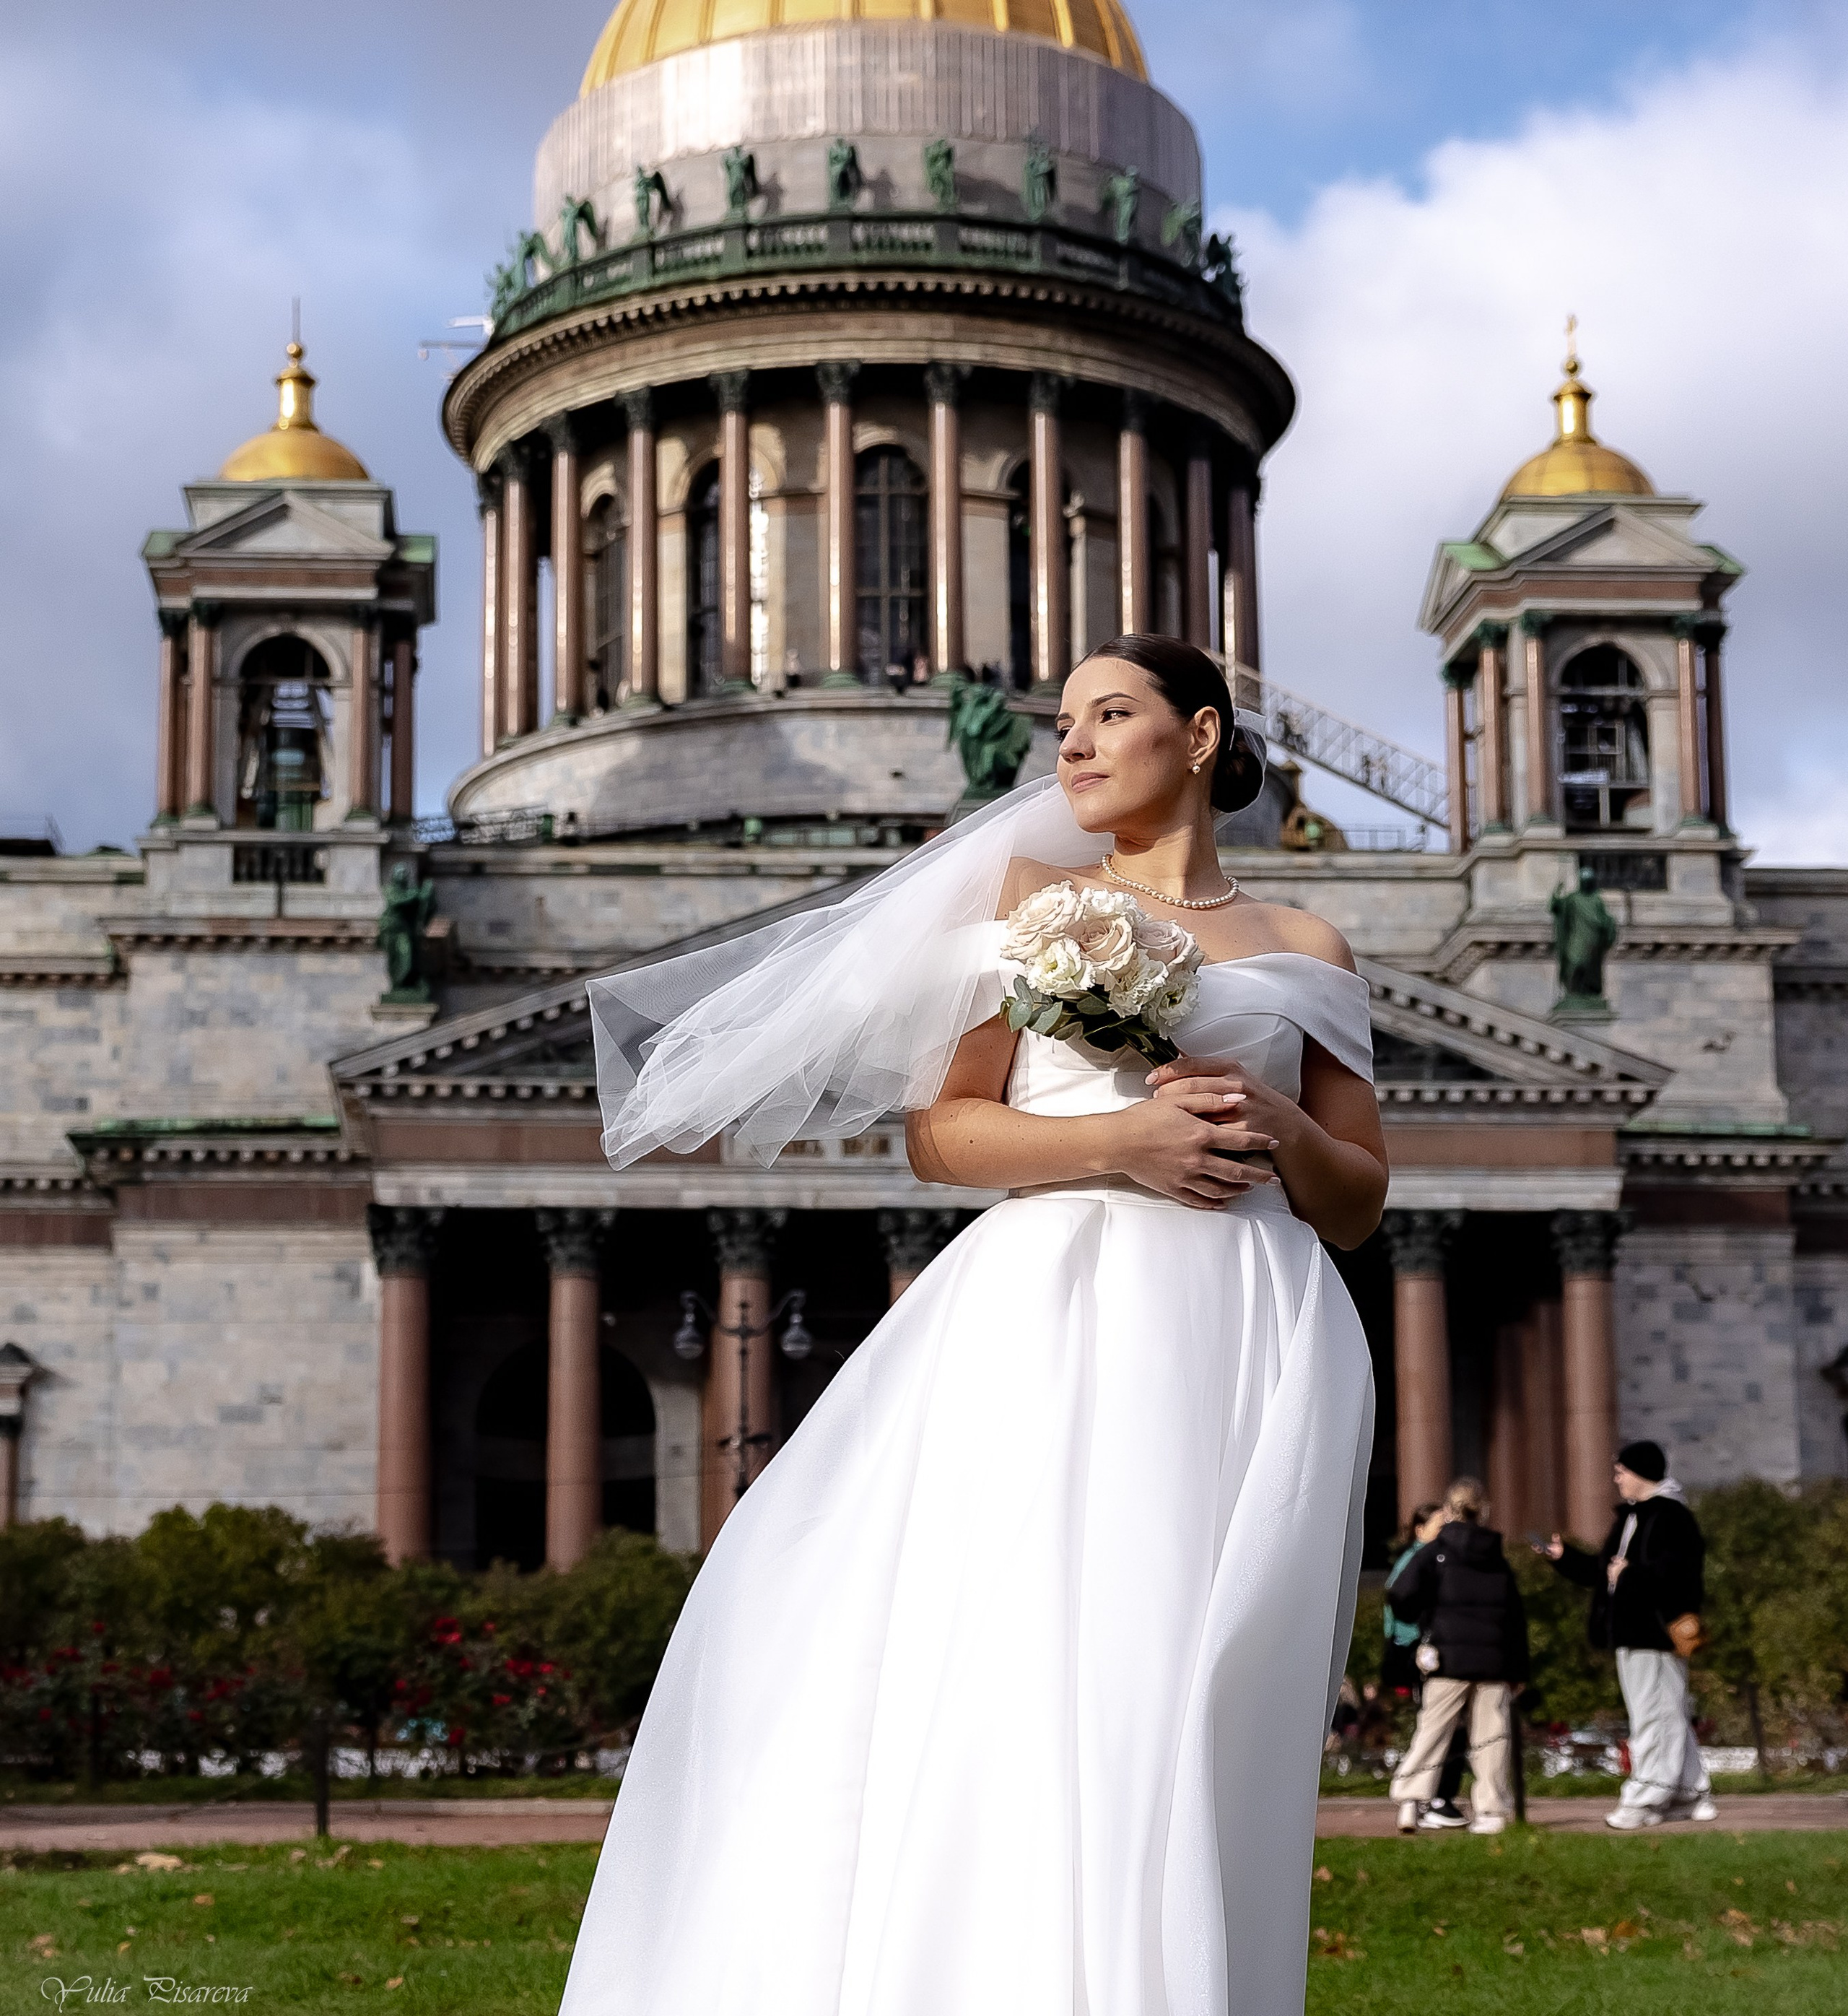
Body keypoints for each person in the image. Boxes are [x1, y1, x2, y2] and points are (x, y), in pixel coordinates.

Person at [564, 634, 1387, 2016]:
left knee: (1207, 1682)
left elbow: (1358, 1201)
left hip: (1246, 1326)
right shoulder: (1031, 899)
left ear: (1195, 738)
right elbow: (941, 1137)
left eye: (1108, 714)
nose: (1068, 745)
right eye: (1061, 721)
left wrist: (1282, 1123)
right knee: (1059, 1656)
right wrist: (1121, 1136)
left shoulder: (1308, 944)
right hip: (1060, 1309)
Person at [1540, 1439, 1717, 1828]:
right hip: (1632, 1633)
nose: (1616, 1477)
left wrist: (1630, 1575)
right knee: (1664, 1712)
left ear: (1640, 1473)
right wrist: (1564, 1558)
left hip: (1654, 1632)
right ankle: (1691, 1792)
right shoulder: (1633, 1518)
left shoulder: (1671, 1517)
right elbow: (1603, 1572)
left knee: (1655, 1715)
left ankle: (1646, 1796)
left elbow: (1678, 1578)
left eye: (1621, 1470)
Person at [1385, 1477, 1530, 1837]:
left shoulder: (1435, 1551)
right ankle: (1491, 1811)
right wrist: (1519, 1668)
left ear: (1448, 1511)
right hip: (1493, 1659)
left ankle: (1410, 1800)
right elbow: (1515, 1617)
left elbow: (1400, 1594)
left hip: (1447, 1656)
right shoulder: (1497, 1557)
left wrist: (1423, 1619)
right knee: (1492, 1737)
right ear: (1484, 1512)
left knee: (1433, 1731)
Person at [1382, 1500, 1469, 1828]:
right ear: (1421, 1530)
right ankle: (1434, 1798)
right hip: (1425, 1654)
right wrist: (1421, 1642)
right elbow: (1399, 1607)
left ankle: (1431, 1799)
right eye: (1439, 1524)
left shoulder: (1432, 1558)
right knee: (1441, 1725)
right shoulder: (1424, 1559)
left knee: (1439, 1724)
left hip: (1423, 1651)